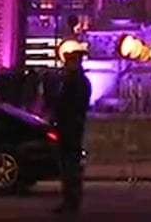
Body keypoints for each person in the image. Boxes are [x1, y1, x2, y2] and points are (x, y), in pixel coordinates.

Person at [52, 49, 92, 215]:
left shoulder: (76, 82)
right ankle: (70, 201)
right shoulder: (76, 81)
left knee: (70, 167)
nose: (66, 65)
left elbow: (72, 105)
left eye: (69, 62)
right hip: (69, 127)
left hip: (71, 129)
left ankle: (71, 201)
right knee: (69, 167)